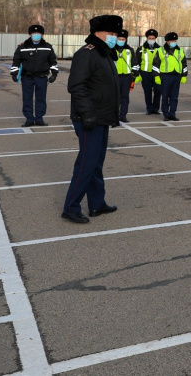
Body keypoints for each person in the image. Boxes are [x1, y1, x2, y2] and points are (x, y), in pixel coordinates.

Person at [62, 14, 123, 224]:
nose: (114, 37)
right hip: (89, 118)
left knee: (96, 162)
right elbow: (76, 86)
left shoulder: (104, 53)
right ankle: (71, 207)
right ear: (97, 33)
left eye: (116, 34)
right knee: (86, 164)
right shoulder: (87, 54)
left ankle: (97, 203)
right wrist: (87, 113)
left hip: (102, 117)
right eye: (111, 33)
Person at [10, 24, 59, 127]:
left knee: (41, 98)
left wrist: (54, 74)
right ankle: (29, 119)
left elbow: (53, 62)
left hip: (41, 77)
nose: (36, 35)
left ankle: (39, 118)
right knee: (27, 98)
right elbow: (16, 61)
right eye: (34, 33)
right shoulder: (22, 47)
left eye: (38, 33)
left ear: (42, 35)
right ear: (30, 34)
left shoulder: (48, 47)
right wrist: (14, 73)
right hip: (27, 77)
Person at [153, 32, 187, 121]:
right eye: (172, 40)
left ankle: (173, 114)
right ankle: (166, 114)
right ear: (167, 41)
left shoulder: (180, 50)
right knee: (165, 96)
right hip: (165, 76)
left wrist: (184, 75)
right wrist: (156, 76)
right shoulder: (160, 50)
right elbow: (155, 64)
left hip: (176, 76)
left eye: (175, 40)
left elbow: (184, 64)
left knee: (174, 97)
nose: (174, 42)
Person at [135, 29, 163, 115]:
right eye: (149, 38)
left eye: (153, 38)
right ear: (147, 38)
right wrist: (138, 73)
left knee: (158, 90)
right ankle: (149, 108)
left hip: (157, 73)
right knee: (147, 91)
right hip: (145, 73)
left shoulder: (160, 49)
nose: (151, 39)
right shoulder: (140, 49)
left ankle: (156, 108)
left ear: (155, 39)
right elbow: (137, 62)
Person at [112, 29, 136, 125]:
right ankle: (114, 116)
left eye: (123, 39)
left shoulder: (130, 50)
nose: (121, 40)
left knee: (125, 97)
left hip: (127, 77)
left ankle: (123, 115)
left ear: (126, 40)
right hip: (115, 77)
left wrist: (135, 72)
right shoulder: (112, 49)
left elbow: (134, 63)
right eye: (119, 38)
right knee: (115, 97)